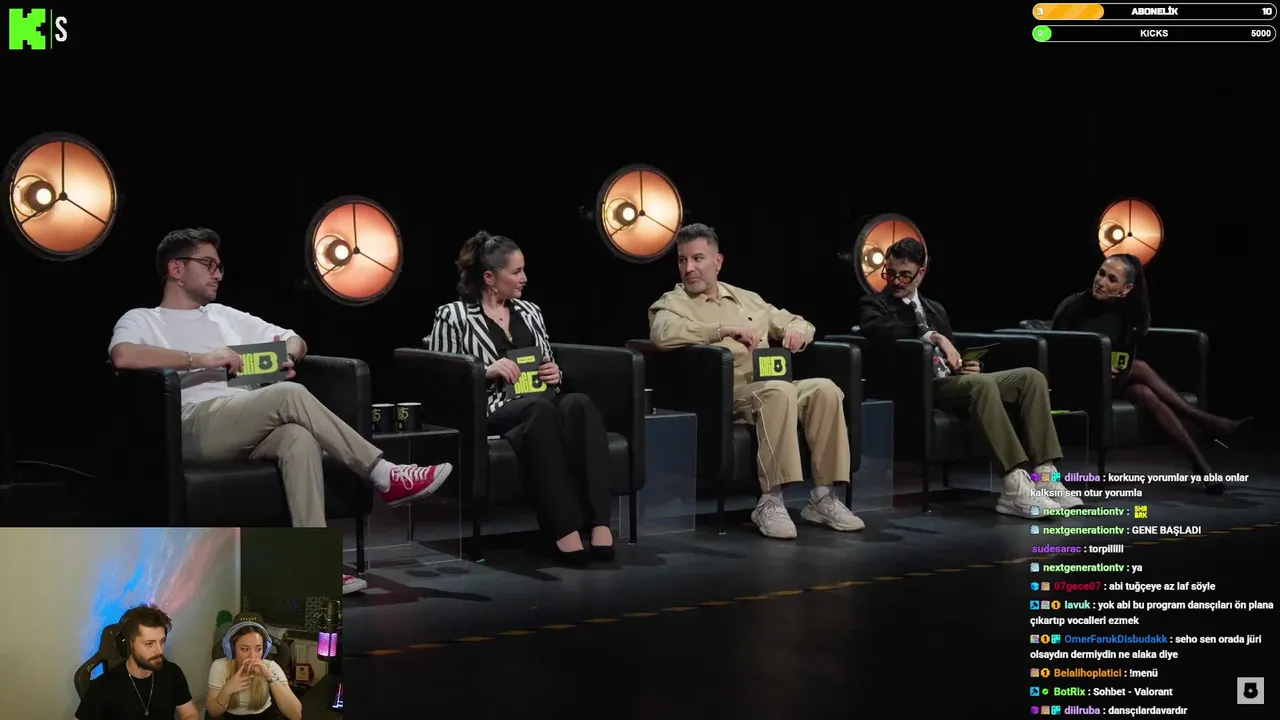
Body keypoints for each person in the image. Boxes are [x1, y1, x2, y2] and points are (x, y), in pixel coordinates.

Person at [108, 228, 452, 594]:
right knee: (289, 394)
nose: (218, 274)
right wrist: (202, 359)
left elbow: (295, 339)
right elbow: (123, 355)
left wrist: (283, 356)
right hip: (189, 427)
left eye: (220, 266)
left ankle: (313, 567)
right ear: (176, 269)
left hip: (239, 420)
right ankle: (385, 474)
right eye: (208, 265)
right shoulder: (144, 319)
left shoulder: (223, 316)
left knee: (297, 437)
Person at [648, 223, 864, 539]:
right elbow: (663, 334)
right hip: (724, 395)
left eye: (697, 259)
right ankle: (770, 500)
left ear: (717, 262)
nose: (689, 268)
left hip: (769, 384)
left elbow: (797, 321)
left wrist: (796, 333)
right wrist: (722, 330)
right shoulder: (672, 303)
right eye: (682, 260)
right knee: (778, 392)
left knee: (825, 389)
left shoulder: (747, 299)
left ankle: (823, 497)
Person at [426, 230, 615, 564]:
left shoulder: (529, 311)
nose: (524, 278)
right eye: (516, 272)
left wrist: (554, 373)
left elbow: (546, 359)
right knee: (540, 410)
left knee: (580, 404)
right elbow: (441, 380)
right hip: (492, 408)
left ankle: (600, 523)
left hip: (539, 400)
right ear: (489, 278)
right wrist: (485, 371)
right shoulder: (453, 316)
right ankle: (563, 529)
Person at [857, 237, 1081, 517]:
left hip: (951, 379)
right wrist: (934, 336)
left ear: (921, 273)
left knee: (1031, 378)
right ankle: (1014, 485)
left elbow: (953, 353)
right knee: (981, 385)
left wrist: (970, 365)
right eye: (890, 273)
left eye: (905, 275)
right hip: (917, 385)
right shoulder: (874, 305)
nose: (896, 281)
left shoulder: (935, 308)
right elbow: (883, 332)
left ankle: (1045, 476)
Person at [1052, 254, 1250, 493]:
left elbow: (1123, 355)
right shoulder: (1073, 307)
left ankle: (1202, 467)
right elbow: (1057, 355)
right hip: (1077, 383)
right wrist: (1094, 367)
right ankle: (1205, 421)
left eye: (1112, 279)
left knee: (1144, 393)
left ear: (1126, 289)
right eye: (1101, 273)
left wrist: (1109, 368)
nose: (1101, 282)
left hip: (1111, 381)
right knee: (1140, 367)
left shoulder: (1125, 313)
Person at [76, 604, 199, 720]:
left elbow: (190, 714)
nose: (159, 651)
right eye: (149, 644)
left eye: (162, 641)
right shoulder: (103, 687)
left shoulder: (172, 673)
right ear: (128, 645)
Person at [206, 621, 301, 719]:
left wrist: (270, 676)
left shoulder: (270, 667)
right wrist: (226, 690)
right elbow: (213, 712)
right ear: (232, 650)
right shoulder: (220, 666)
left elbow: (296, 715)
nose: (252, 656)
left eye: (258, 649)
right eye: (245, 649)